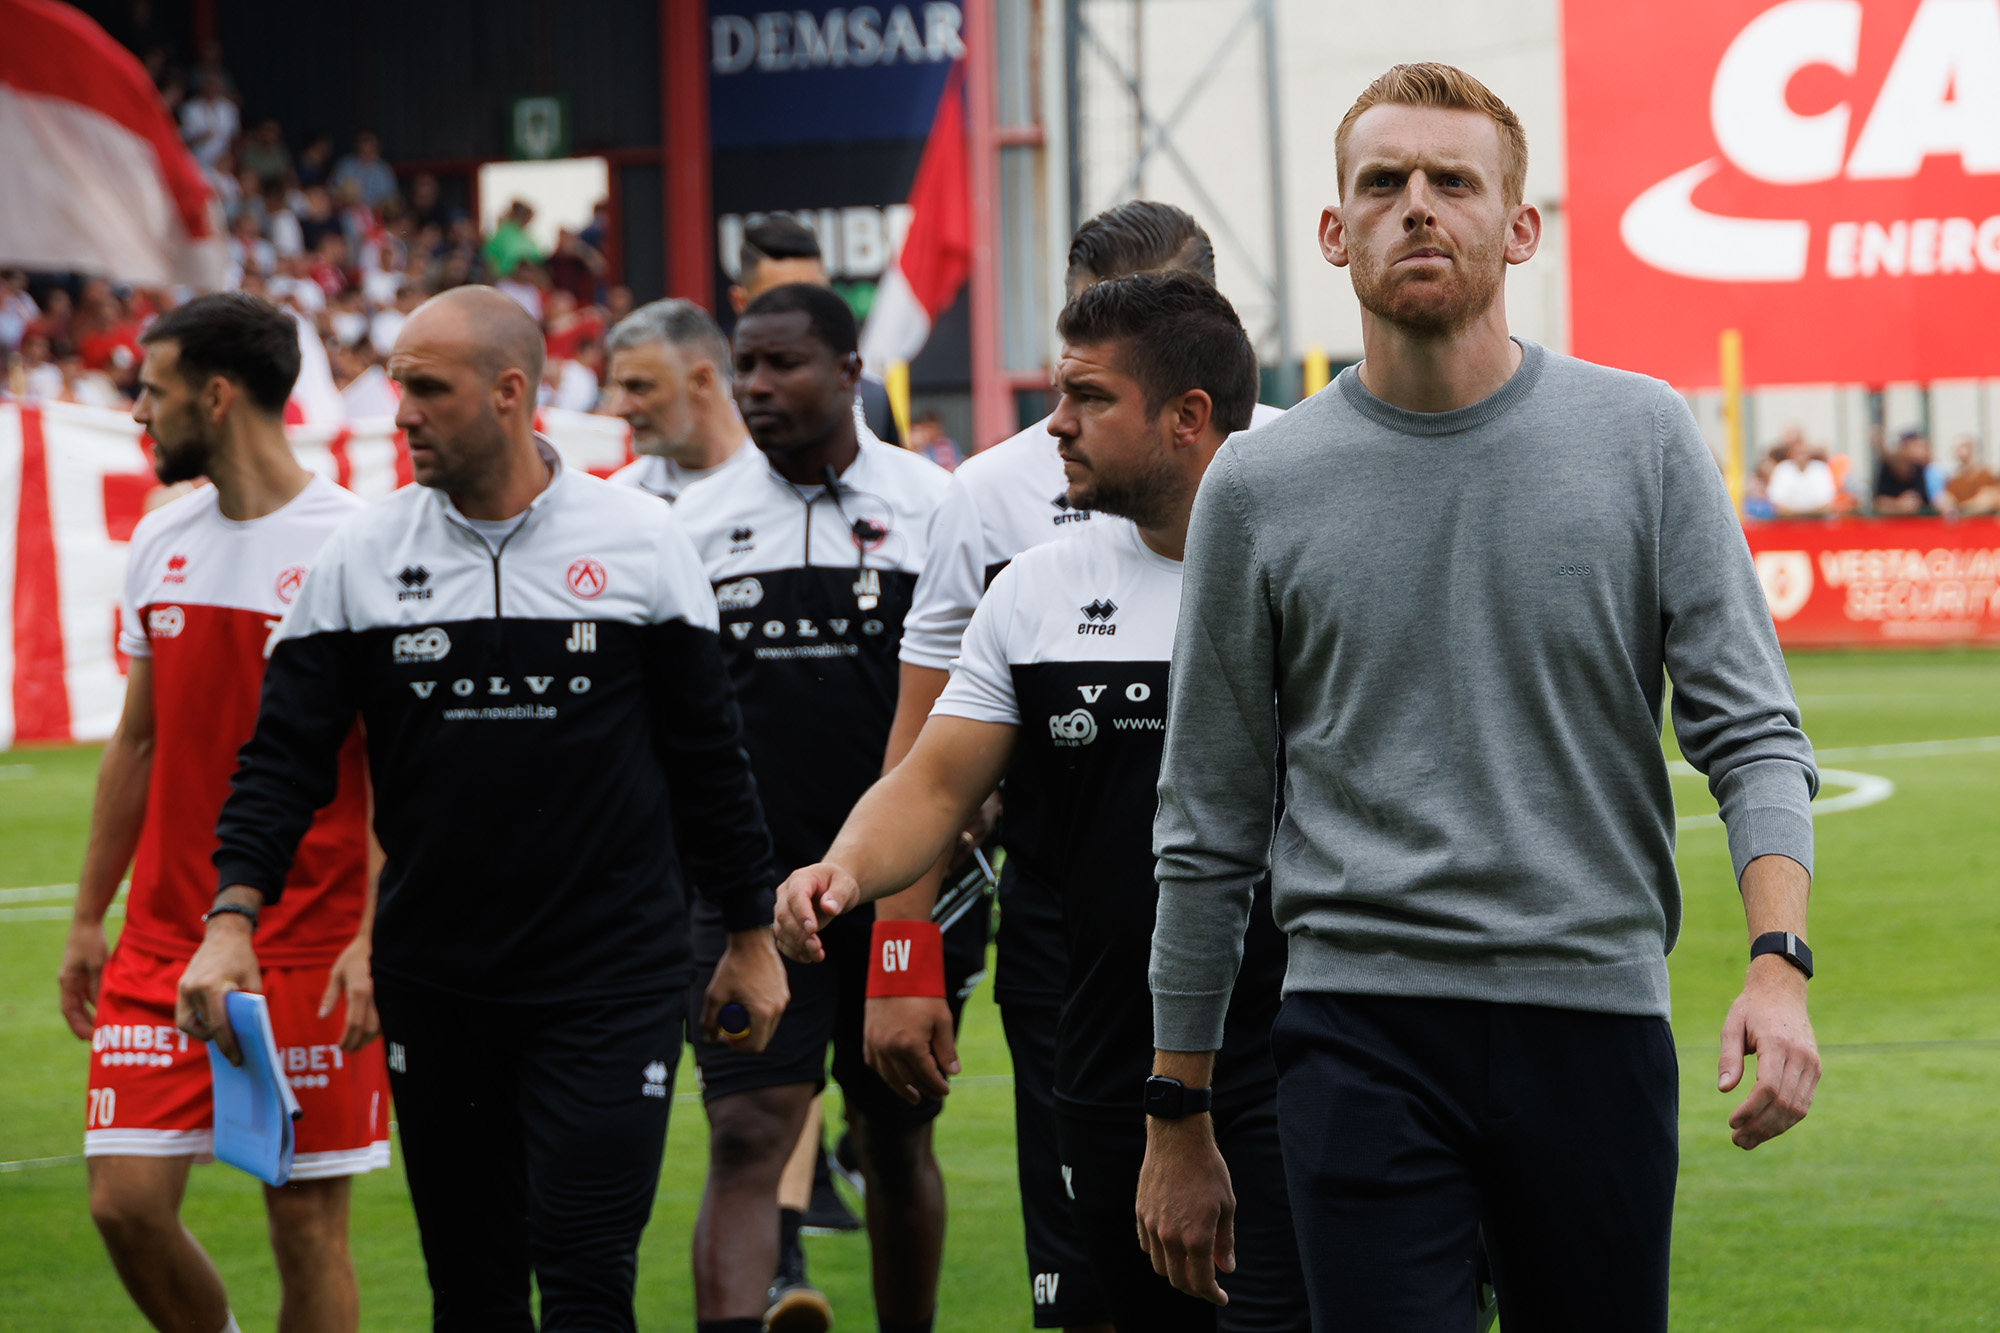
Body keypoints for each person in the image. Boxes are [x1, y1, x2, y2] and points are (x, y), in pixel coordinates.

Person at [1136, 64, 1822, 1331]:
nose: (1416, 206)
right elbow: (1207, 814)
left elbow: (1753, 732)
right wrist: (1177, 1105)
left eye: (1451, 181)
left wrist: (1776, 963)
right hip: (1356, 1027)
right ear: (1334, 230)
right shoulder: (1257, 485)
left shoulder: (1642, 436)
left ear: (1516, 228)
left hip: (1590, 1016)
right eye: (1381, 182)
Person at [184, 285, 788, 1331]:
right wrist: (230, 918)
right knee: (472, 1289)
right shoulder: (360, 557)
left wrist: (748, 933)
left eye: (426, 388)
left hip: (611, 979)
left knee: (587, 1272)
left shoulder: (642, 541)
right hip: (440, 984)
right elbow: (283, 759)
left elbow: (708, 763)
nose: (400, 412)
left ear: (509, 393)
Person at [775, 271, 1309, 1332]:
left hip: (1302, 1056)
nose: (1052, 425)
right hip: (1107, 1061)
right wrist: (842, 867)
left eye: (1086, 398)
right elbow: (931, 780)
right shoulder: (1037, 588)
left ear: (1187, 418)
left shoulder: (1314, 569)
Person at [57, 292, 389, 1333]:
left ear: (217, 393)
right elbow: (140, 741)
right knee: (124, 1205)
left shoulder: (356, 545)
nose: (140, 414)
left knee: (304, 1229)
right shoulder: (162, 541)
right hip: (163, 938)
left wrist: (376, 936)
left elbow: (396, 771)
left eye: (152, 391)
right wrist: (85, 915)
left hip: (311, 939)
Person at [674, 283, 963, 1333]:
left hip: (901, 889)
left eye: (781, 364)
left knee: (894, 1137)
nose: (754, 386)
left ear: (849, 372)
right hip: (744, 896)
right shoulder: (687, 520)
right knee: (748, 1130)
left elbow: (978, 702)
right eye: (743, 365)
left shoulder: (938, 507)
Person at [730, 215, 903, 447]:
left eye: (816, 295)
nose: (803, 313)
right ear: (741, 303)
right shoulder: (712, 412)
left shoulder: (869, 400)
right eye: (781, 300)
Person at [604, 299, 762, 503]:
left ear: (701, 381)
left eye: (639, 387)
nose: (620, 408)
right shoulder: (625, 496)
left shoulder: (785, 480)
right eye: (618, 387)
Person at [1766, 427, 1837, 517]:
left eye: (1803, 452)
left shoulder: (1820, 468)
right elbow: (1776, 503)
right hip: (1787, 523)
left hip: (1817, 522)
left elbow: (1828, 502)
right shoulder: (1782, 469)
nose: (1801, 457)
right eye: (1797, 453)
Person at [329, 131, 398, 211]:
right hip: (348, 213)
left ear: (377, 144)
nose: (365, 144)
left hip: (376, 215)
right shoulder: (345, 165)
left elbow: (392, 199)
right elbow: (332, 190)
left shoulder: (384, 170)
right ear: (356, 144)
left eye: (368, 140)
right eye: (362, 140)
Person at [1874, 431, 1935, 514]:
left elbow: (1926, 499)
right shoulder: (1888, 467)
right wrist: (1898, 504)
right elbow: (1879, 500)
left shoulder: (1919, 468)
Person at [1940, 435, 2000, 515]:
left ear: (1973, 447)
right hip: (1963, 525)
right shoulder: (1953, 478)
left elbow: (1992, 499)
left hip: (1985, 523)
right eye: (1956, 448)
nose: (1958, 450)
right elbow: (1947, 500)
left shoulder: (1988, 474)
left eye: (1963, 446)